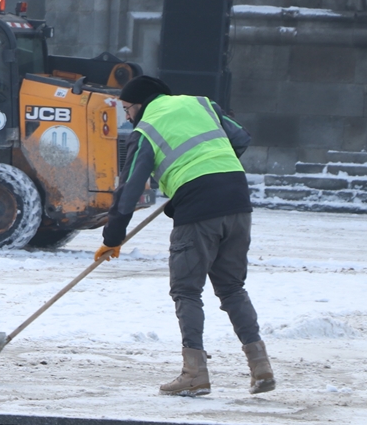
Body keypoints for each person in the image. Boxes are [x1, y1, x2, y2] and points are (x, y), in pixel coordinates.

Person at [95, 75, 274, 397]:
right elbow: (241, 139)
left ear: (142, 103)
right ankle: (261, 368)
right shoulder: (201, 104)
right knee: (232, 287)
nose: (127, 116)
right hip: (237, 200)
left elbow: (129, 190)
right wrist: (203, 174)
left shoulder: (146, 130)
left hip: (199, 210)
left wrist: (112, 237)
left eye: (127, 108)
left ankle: (195, 373)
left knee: (187, 291)